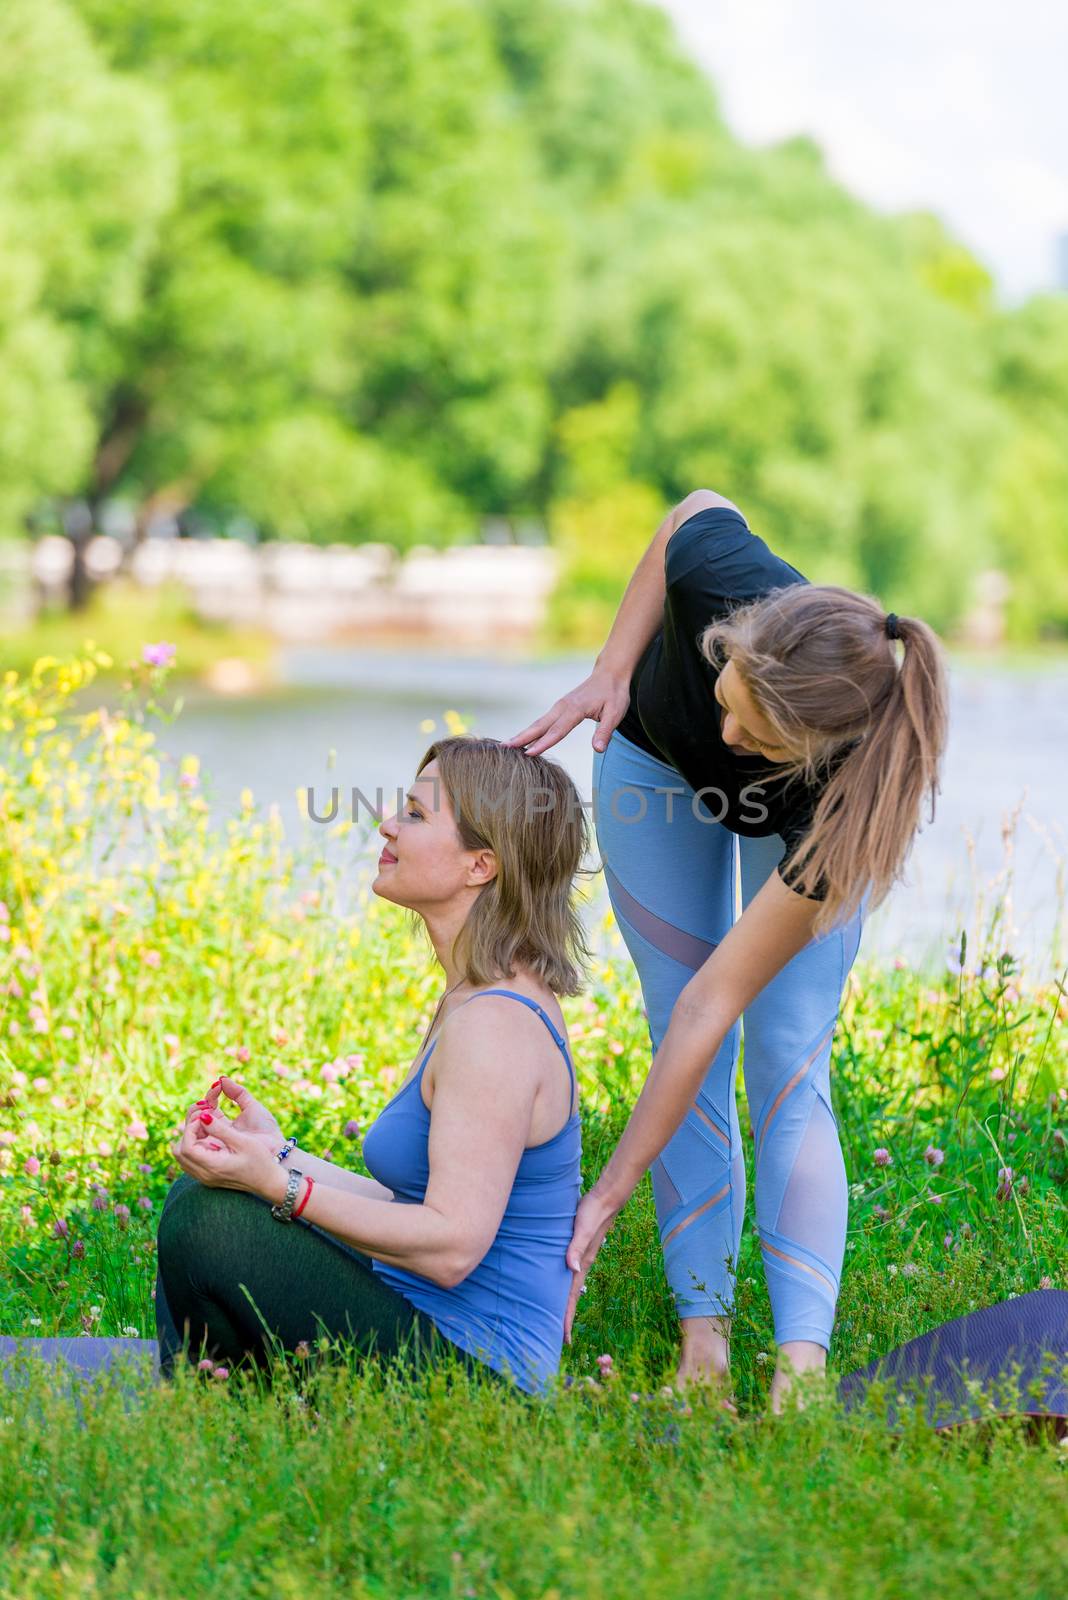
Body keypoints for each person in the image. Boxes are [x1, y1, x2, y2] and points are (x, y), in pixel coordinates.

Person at [506, 488, 949, 1411]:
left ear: (817, 743)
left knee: (787, 1059)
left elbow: (725, 1000)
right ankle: (701, 1348)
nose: (730, 735)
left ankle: (800, 1371)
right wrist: (611, 666)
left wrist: (610, 1188)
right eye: (726, 697)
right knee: (677, 1025)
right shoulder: (725, 578)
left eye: (754, 733)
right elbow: (687, 514)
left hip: (798, 828)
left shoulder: (842, 805)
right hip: (648, 765)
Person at [155, 737, 590, 1398]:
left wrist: (281, 1188)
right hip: (428, 1335)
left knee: (211, 1223)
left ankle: (224, 1421)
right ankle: (226, 1420)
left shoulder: (496, 1027)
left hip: (483, 1390)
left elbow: (450, 1249)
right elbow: (411, 1204)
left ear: (481, 864)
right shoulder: (475, 994)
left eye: (415, 815)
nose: (387, 825)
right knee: (205, 1192)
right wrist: (280, 1156)